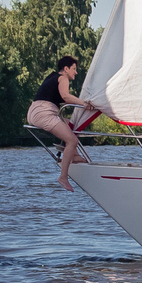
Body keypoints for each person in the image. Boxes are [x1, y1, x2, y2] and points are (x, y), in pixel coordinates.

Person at [29, 55, 97, 189]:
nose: (76, 72)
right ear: (66, 69)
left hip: (36, 111)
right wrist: (83, 103)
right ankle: (63, 177)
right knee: (72, 141)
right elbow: (65, 97)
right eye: (74, 69)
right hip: (44, 112)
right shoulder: (63, 78)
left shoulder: (52, 76)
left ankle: (75, 155)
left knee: (71, 124)